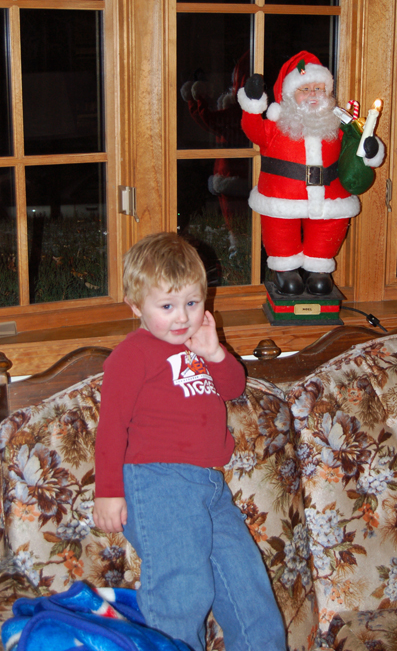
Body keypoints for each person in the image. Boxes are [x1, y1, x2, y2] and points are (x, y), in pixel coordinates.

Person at [93, 232, 287, 651]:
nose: (182, 318)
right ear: (136, 307)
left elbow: (234, 387)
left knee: (249, 587)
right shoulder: (132, 353)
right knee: (182, 591)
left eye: (192, 303)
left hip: (211, 486)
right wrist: (108, 491)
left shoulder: (197, 345)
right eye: (167, 306)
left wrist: (215, 352)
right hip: (157, 483)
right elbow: (110, 425)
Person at [237, 50, 385, 297]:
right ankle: (285, 270)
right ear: (288, 95)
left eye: (319, 88)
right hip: (281, 198)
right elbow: (253, 129)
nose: (313, 95)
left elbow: (354, 149)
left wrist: (369, 149)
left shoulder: (338, 125)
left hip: (330, 199)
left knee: (326, 236)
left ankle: (318, 269)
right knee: (280, 232)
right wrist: (252, 103)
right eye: (305, 89)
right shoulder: (275, 125)